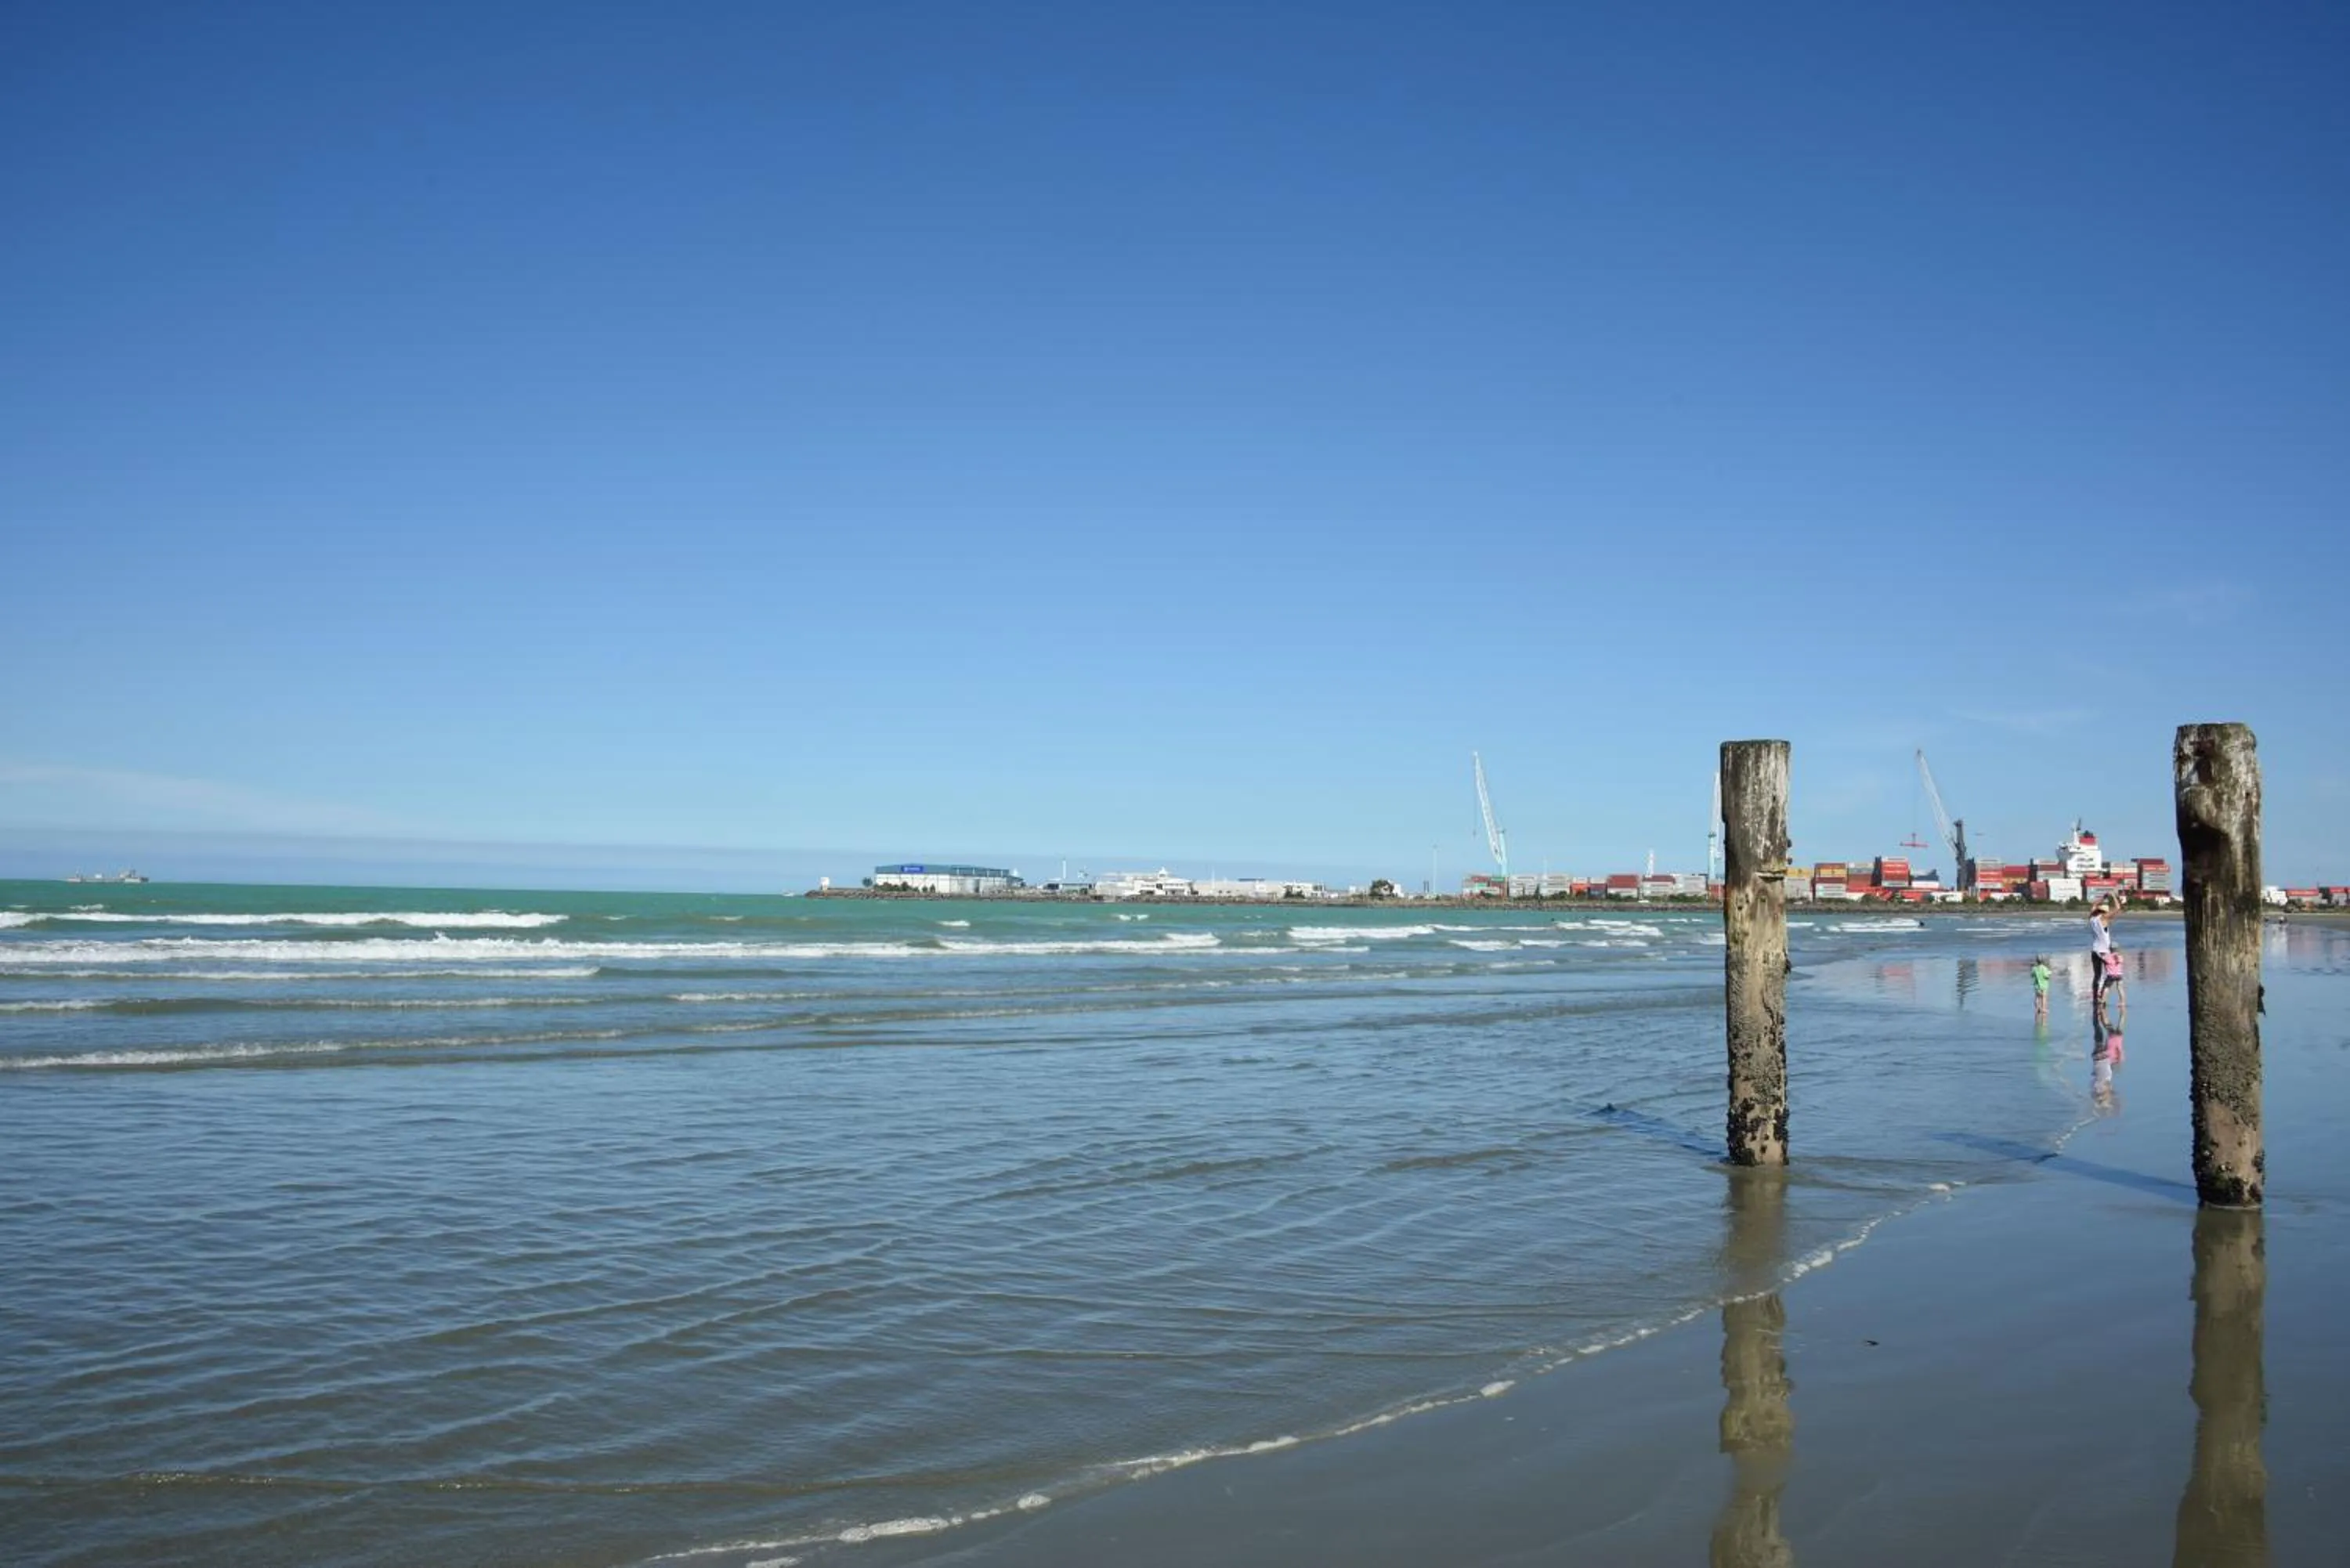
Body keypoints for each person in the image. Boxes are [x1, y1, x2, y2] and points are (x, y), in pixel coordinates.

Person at [2088, 901, 2116, 1013]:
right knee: (2112, 974)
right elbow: (2118, 908)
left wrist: (2102, 898)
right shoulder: (2103, 919)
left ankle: (2095, 997)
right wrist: (2113, 896)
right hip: (2104, 951)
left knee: (2097, 976)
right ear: (2104, 912)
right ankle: (2102, 995)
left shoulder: (2092, 919)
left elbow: (2093, 906)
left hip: (2095, 950)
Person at [2030, 954, 2052, 1018]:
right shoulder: (2044, 968)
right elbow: (2046, 976)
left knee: (2037, 997)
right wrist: (2050, 973)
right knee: (2044, 998)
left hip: (2037, 986)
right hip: (2044, 986)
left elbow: (2032, 975)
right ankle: (2043, 1009)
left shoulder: (2034, 968)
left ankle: (2037, 1009)